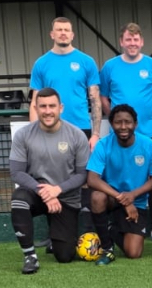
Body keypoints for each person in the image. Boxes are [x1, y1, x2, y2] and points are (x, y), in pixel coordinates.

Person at [29, 17, 102, 242]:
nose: (63, 33)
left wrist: (96, 134)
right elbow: (35, 101)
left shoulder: (86, 61)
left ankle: (87, 232)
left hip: (81, 130)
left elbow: (95, 99)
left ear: (72, 35)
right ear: (52, 34)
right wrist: (34, 133)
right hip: (49, 131)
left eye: (66, 30)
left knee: (85, 179)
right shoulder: (41, 63)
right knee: (52, 179)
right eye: (59, 30)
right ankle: (55, 234)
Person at [100, 22, 152, 242]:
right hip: (120, 135)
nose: (132, 43)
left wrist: (150, 117)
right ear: (121, 42)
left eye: (136, 39)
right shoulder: (110, 66)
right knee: (119, 174)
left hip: (149, 131)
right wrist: (116, 120)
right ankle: (115, 221)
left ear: (142, 42)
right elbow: (103, 97)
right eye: (128, 39)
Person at [9, 88, 91, 274]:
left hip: (66, 198)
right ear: (36, 108)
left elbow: (82, 175)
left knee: (65, 256)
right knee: (19, 200)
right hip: (36, 193)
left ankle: (56, 238)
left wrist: (58, 190)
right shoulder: (23, 135)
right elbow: (16, 172)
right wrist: (45, 192)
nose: (47, 111)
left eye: (52, 106)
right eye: (43, 106)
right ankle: (30, 256)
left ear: (61, 108)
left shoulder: (76, 135)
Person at [86, 104, 152, 266]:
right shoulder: (103, 145)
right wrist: (123, 199)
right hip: (112, 199)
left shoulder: (148, 145)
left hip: (136, 202)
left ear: (135, 124)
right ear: (112, 124)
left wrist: (132, 195)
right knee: (97, 197)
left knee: (133, 253)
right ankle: (107, 249)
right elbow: (92, 179)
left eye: (128, 122)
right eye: (118, 122)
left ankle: (110, 229)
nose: (123, 126)